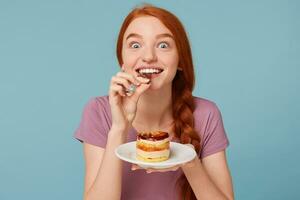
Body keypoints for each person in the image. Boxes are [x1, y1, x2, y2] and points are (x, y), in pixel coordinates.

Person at [74, 4, 234, 200]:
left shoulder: (205, 114)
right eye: (135, 45)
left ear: (181, 60)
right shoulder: (98, 111)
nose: (148, 57)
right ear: (122, 59)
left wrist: (191, 164)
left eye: (163, 45)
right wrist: (119, 128)